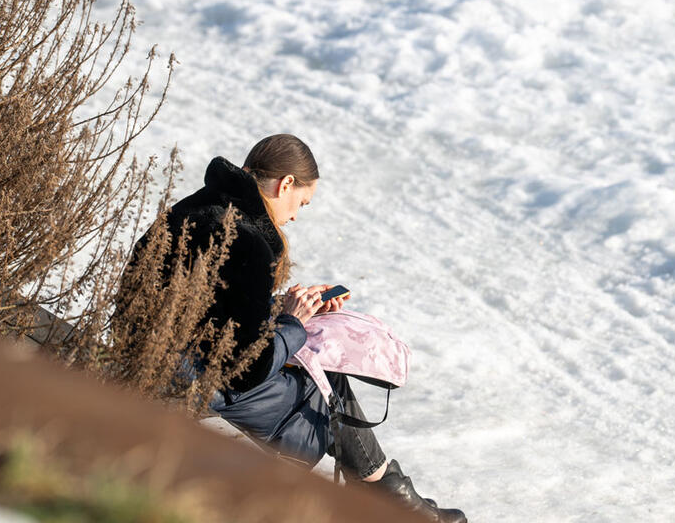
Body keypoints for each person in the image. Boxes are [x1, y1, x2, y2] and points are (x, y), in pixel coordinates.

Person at [118, 134, 467, 522]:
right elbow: (247, 369)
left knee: (313, 369)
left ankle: (390, 498)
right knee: (327, 386)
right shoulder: (249, 242)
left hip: (151, 351)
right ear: (285, 184)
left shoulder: (198, 207)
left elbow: (216, 311)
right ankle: (394, 503)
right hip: (191, 378)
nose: (297, 215)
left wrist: (281, 308)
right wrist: (292, 322)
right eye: (301, 202)